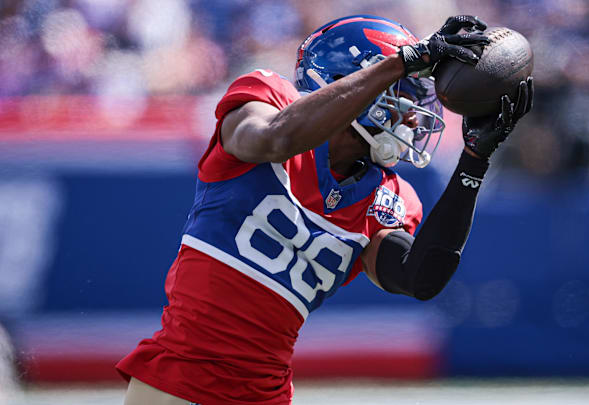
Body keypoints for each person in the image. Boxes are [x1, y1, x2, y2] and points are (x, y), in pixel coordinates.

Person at [117, 14, 533, 405]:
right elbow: (273, 139)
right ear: (348, 77)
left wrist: (474, 161)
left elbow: (419, 277)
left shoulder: (388, 197)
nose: (413, 117)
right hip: (177, 385)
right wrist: (396, 65)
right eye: (402, 96)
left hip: (266, 393)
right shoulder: (266, 99)